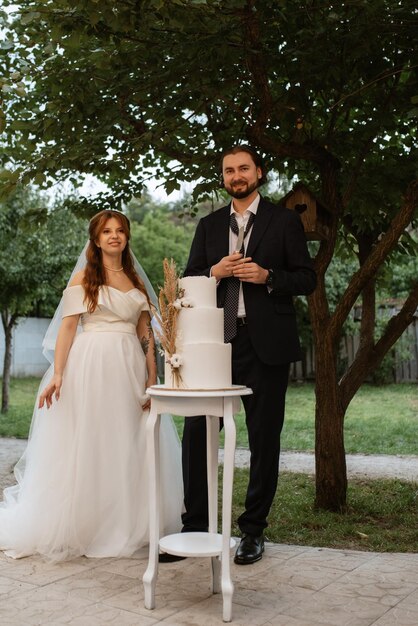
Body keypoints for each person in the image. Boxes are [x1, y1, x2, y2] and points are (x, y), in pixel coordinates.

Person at [0, 209, 183, 562]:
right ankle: (86, 523)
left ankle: (125, 519)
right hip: (91, 363)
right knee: (92, 438)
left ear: (126, 237)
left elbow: (144, 332)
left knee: (126, 438)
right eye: (106, 231)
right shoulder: (85, 278)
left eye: (120, 231)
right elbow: (69, 328)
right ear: (96, 239)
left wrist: (151, 374)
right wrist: (58, 373)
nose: (114, 236)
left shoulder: (135, 281)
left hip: (128, 365)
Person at [181, 145, 317, 565]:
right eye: (229, 170)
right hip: (215, 344)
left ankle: (253, 531)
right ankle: (195, 528)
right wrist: (213, 273)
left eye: (243, 168)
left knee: (263, 438)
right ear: (223, 178)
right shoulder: (208, 225)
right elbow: (188, 280)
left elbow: (307, 278)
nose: (236, 175)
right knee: (197, 434)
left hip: (266, 345)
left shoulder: (285, 221)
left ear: (258, 172)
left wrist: (268, 276)